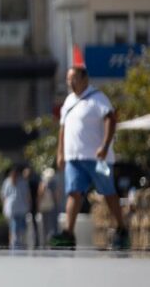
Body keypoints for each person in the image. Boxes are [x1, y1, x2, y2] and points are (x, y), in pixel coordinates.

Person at [51, 66, 129, 250]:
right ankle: (68, 233)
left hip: (97, 158)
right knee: (73, 193)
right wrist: (60, 153)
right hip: (74, 158)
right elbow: (63, 130)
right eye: (68, 79)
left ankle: (121, 228)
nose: (70, 82)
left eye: (74, 78)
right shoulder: (69, 101)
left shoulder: (98, 98)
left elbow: (110, 119)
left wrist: (104, 146)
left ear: (85, 79)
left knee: (108, 193)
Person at [1, 166, 31, 250]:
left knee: (22, 227)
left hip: (22, 208)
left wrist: (28, 205)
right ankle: (14, 243)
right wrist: (4, 207)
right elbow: (3, 196)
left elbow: (27, 195)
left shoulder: (23, 182)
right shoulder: (6, 182)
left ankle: (21, 243)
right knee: (14, 227)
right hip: (12, 209)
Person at [36, 166, 61, 247]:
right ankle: (51, 242)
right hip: (52, 207)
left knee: (45, 226)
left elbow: (39, 195)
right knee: (53, 225)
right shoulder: (53, 183)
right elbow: (56, 196)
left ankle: (45, 242)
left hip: (44, 207)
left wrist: (38, 206)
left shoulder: (43, 183)